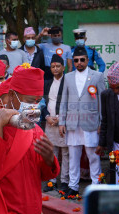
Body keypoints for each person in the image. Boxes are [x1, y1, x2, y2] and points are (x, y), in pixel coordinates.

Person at [0, 64, 60, 214]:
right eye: (30, 100)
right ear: (12, 96)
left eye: (38, 101)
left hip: (33, 213)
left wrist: (49, 160)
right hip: (3, 213)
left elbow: (44, 175)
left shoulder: (35, 131)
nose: (34, 106)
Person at [59, 47, 105, 197]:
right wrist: (61, 122)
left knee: (93, 156)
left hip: (91, 122)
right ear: (73, 61)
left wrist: (101, 123)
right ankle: (73, 186)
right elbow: (64, 101)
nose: (79, 63)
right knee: (73, 156)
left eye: (82, 60)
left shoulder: (97, 76)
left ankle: (96, 185)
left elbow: (102, 102)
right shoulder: (68, 77)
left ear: (87, 60)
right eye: (76, 60)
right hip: (72, 123)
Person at [42, 54, 69, 192]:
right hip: (49, 123)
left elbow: (71, 103)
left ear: (63, 67)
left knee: (65, 153)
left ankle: (64, 181)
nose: (55, 68)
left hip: (63, 122)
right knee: (51, 152)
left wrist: (60, 118)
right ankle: (52, 181)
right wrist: (47, 116)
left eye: (58, 66)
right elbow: (42, 102)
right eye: (53, 66)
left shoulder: (68, 82)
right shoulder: (47, 83)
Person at [97, 62, 119, 184]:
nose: (116, 90)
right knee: (117, 175)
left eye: (118, 87)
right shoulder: (106, 95)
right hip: (116, 142)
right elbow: (105, 121)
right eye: (113, 87)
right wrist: (101, 144)